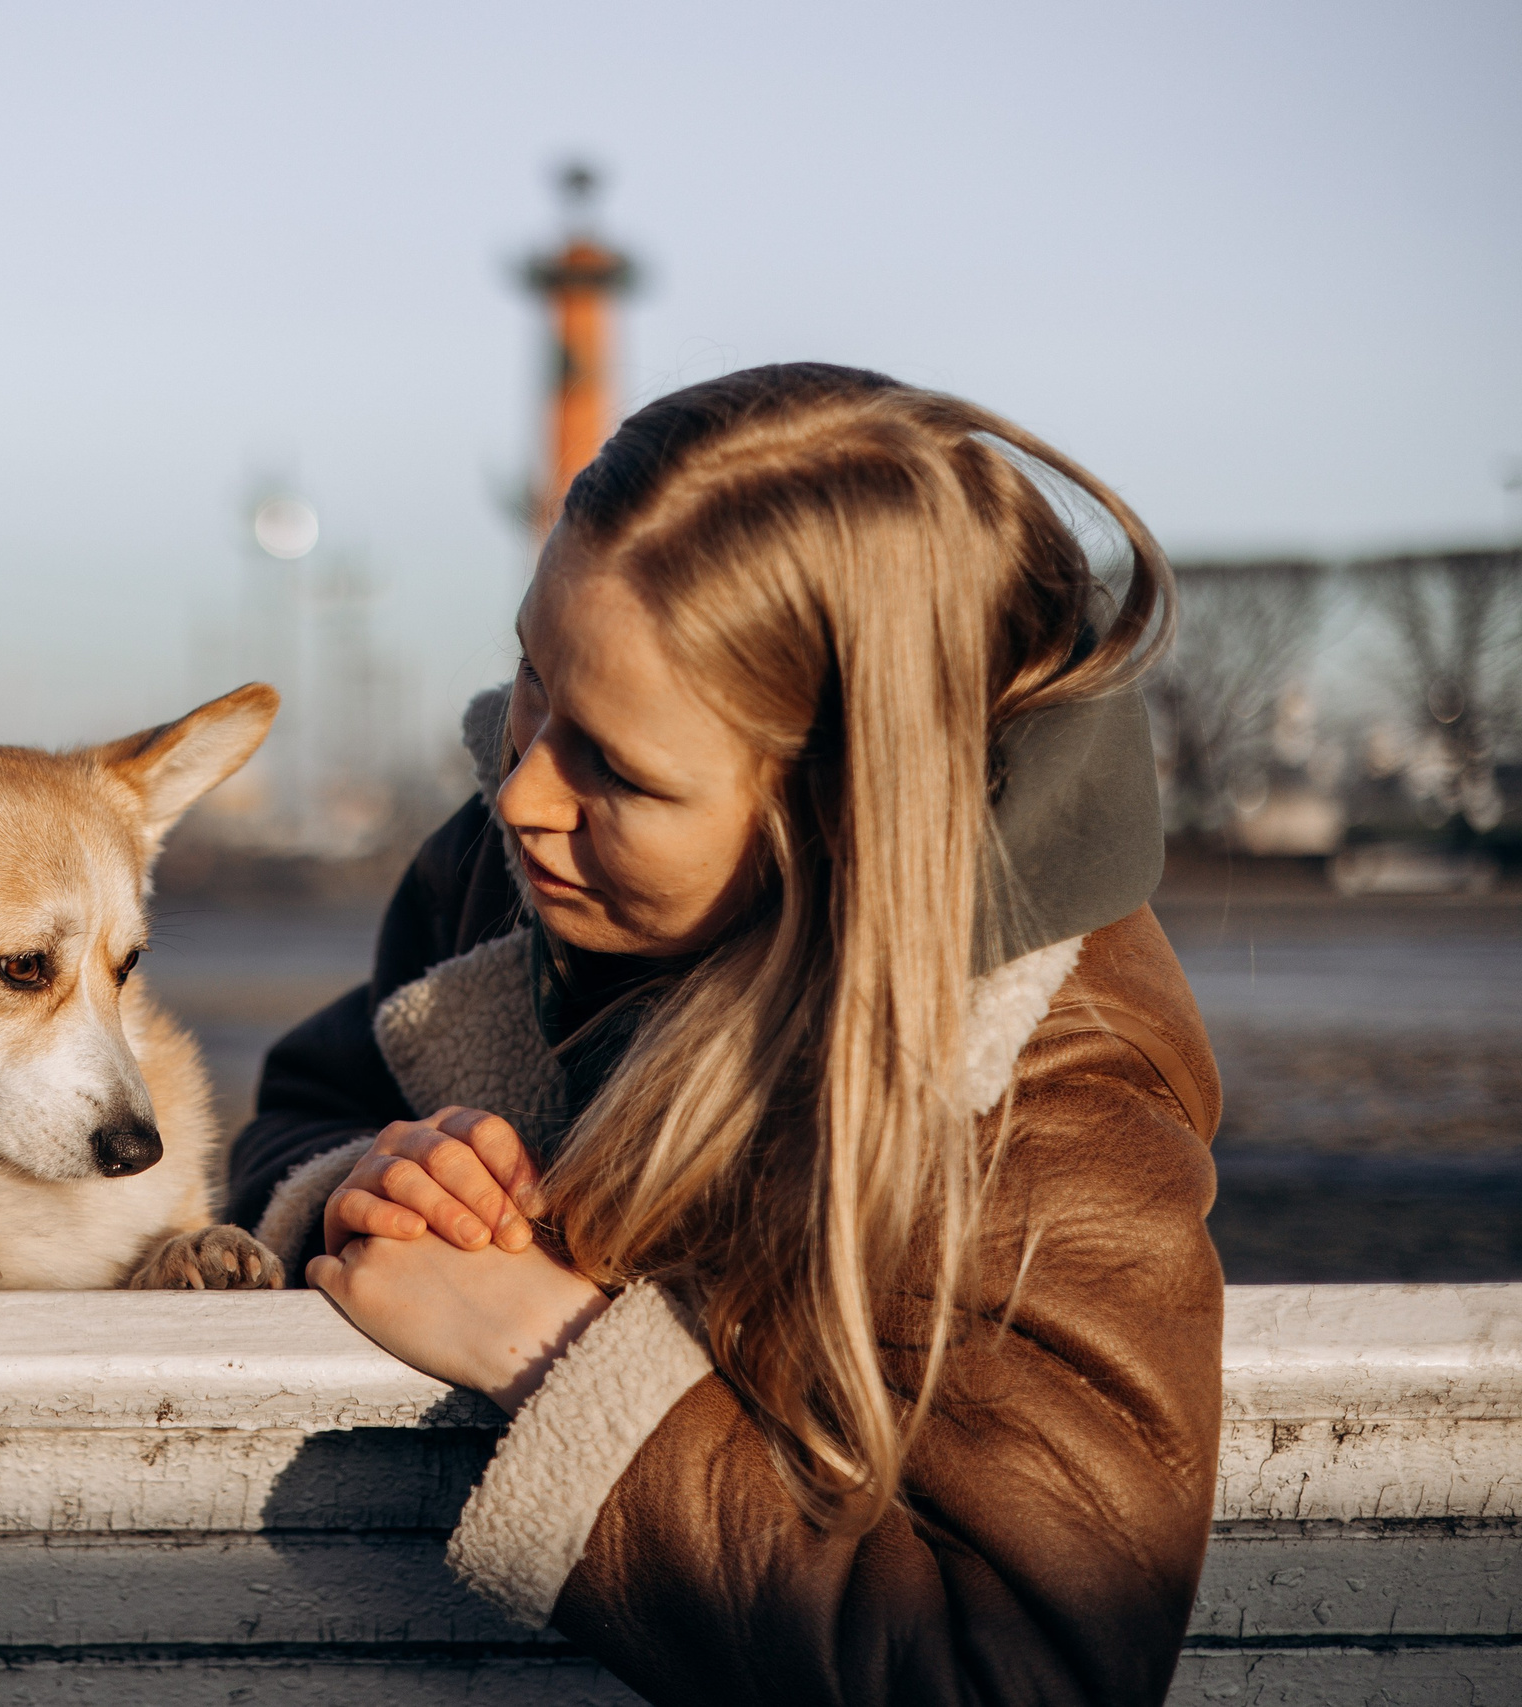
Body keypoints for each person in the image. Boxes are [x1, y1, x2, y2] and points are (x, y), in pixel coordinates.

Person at [227, 363, 1223, 1705]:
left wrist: (552, 1351)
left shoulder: (1046, 1093)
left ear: (842, 808)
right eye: (530, 675)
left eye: (620, 771)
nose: (523, 794)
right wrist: (371, 1181)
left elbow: (1031, 1676)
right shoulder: (513, 881)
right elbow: (302, 1105)